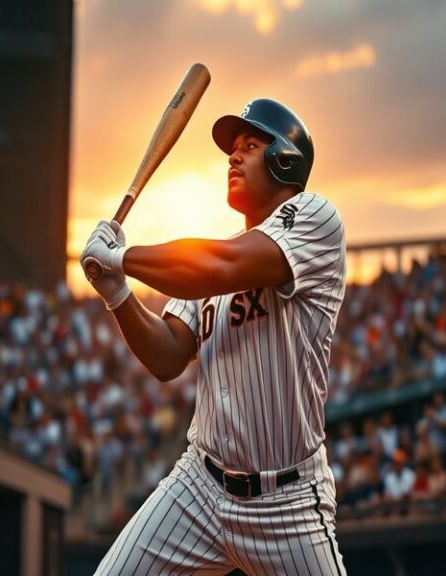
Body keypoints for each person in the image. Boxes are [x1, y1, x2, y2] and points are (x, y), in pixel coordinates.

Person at [82, 99, 347, 575]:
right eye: (231, 148)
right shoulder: (210, 267)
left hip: (286, 503)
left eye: (250, 145)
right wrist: (118, 293)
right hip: (199, 487)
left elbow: (223, 265)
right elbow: (167, 356)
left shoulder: (314, 218)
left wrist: (122, 257)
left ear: (284, 160)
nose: (233, 155)